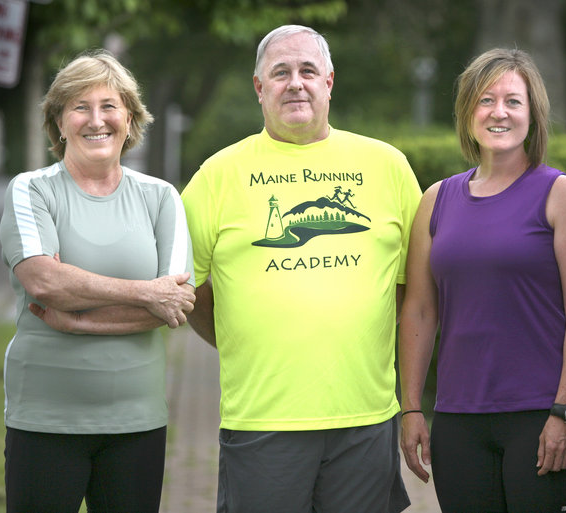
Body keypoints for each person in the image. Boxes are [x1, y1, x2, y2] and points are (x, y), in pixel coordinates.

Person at [180, 25, 422, 513]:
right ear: (259, 87)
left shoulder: (387, 166)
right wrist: (243, 335)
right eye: (281, 72)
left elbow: (410, 292)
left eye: (308, 71)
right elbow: (190, 291)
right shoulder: (216, 176)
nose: (296, 83)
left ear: (329, 82)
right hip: (262, 421)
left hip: (365, 421)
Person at [399, 48, 566, 512]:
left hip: (544, 416)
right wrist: (411, 408)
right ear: (468, 112)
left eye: (513, 101)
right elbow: (420, 311)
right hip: (459, 419)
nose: (499, 112)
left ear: (533, 114)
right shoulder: (436, 199)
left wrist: (565, 411)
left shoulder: (564, 195)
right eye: (486, 100)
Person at [0, 49, 195, 513]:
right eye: (80, 107)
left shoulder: (161, 197)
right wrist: (146, 293)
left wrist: (78, 320)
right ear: (59, 122)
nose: (96, 119)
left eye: (109, 105)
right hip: (44, 419)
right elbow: (45, 282)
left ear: (130, 119)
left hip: (137, 422)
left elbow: (178, 303)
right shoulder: (31, 189)